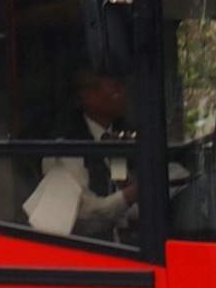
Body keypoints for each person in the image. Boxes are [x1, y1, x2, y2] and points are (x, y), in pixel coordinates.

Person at [24, 68, 138, 239]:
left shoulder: (118, 135)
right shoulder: (65, 145)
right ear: (88, 96)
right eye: (115, 87)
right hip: (86, 250)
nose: (123, 93)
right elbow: (83, 215)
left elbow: (120, 183)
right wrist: (129, 196)